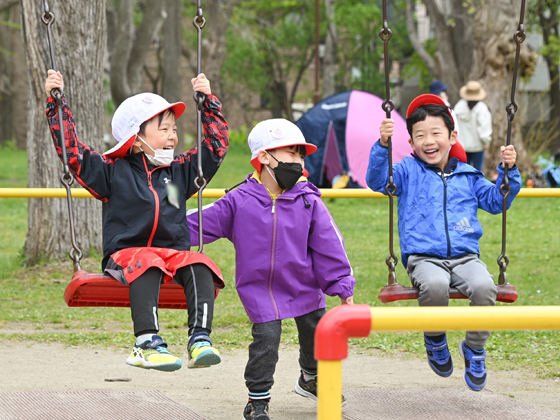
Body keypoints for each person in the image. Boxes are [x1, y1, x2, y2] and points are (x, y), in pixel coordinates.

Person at [45, 70, 229, 372]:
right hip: (126, 256)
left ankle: (200, 339)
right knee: (147, 259)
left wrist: (207, 103)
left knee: (199, 262)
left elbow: (217, 147)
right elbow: (73, 152)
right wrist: (57, 104)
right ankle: (146, 343)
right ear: (137, 137)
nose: (173, 136)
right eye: (164, 129)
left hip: (170, 256)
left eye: (174, 129)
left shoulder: (179, 173)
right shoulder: (112, 172)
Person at [187, 119, 355, 420]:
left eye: (301, 156)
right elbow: (197, 222)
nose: (299, 163)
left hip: (304, 283)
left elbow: (330, 244)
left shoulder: (308, 200)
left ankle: (310, 377)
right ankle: (257, 400)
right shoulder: (239, 201)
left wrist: (342, 284)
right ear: (265, 156)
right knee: (266, 339)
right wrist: (157, 228)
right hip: (260, 289)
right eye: (291, 154)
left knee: (316, 332)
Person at [366, 94, 521, 392]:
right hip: (424, 258)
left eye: (436, 133)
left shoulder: (469, 175)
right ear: (410, 143)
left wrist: (508, 171)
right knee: (435, 286)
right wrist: (383, 146)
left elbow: (497, 200)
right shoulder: (406, 172)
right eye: (420, 135)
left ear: (452, 136)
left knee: (485, 287)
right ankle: (435, 337)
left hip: (466, 257)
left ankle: (474, 347)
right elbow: (377, 181)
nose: (428, 141)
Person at [454, 81, 493, 171]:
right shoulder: (481, 108)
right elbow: (484, 129)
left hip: (461, 146)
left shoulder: (459, 106)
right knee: (477, 172)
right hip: (477, 147)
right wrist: (486, 142)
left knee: (462, 172)